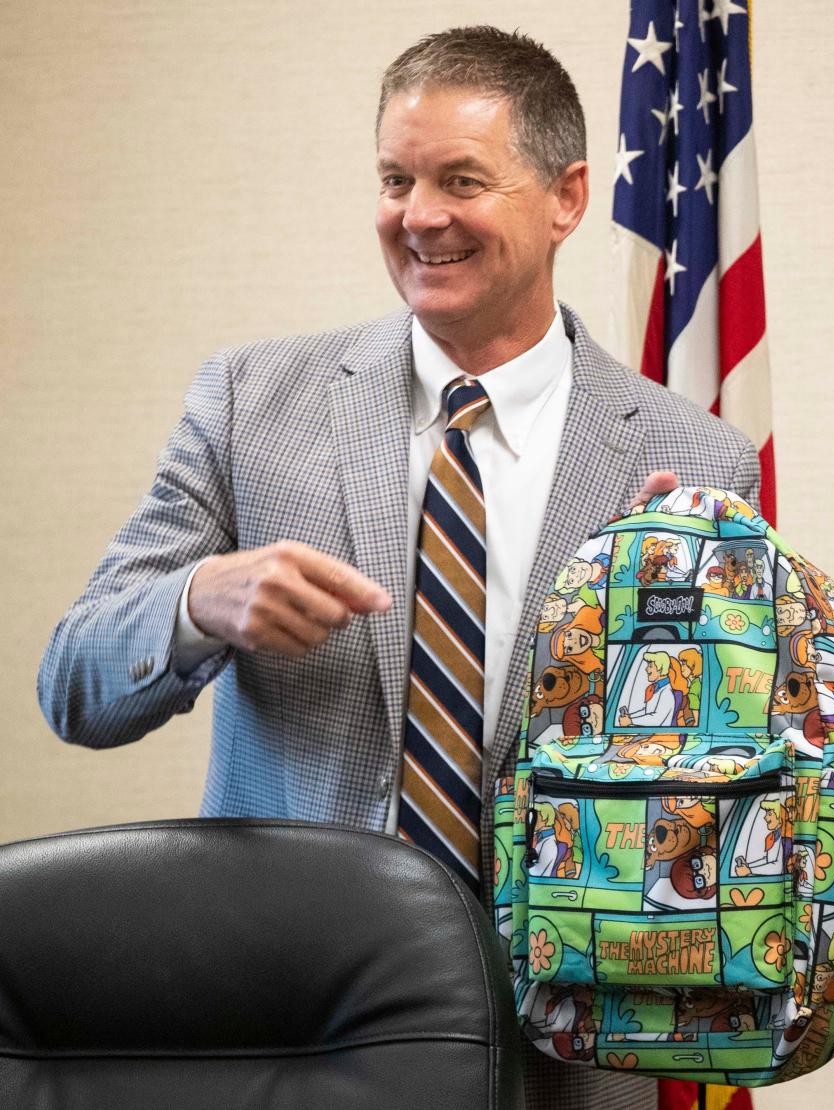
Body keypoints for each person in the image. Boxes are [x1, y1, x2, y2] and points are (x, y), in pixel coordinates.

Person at [38, 25, 759, 1109]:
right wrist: (197, 601)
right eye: (396, 179)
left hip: (560, 1047)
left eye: (460, 179)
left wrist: (698, 635)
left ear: (566, 197)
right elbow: (73, 685)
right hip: (285, 1031)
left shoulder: (692, 459)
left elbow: (726, 777)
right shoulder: (251, 404)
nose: (418, 215)